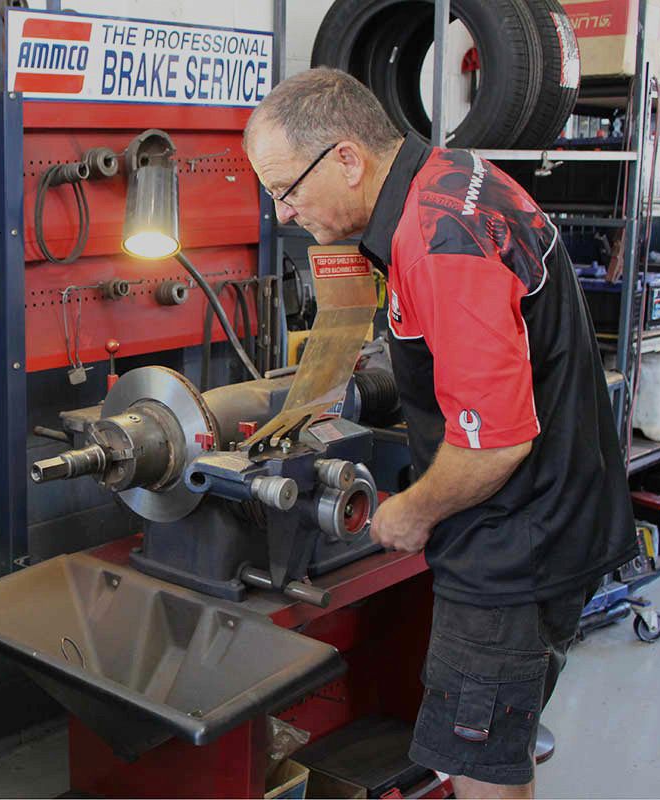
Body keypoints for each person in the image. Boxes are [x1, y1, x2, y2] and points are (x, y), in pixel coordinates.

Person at [243, 67, 638, 799]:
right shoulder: (448, 180)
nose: (284, 211)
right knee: (491, 746)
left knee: (480, 766)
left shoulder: (439, 242)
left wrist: (412, 511)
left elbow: (496, 443)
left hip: (514, 547)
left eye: (286, 189)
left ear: (346, 159)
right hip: (551, 517)